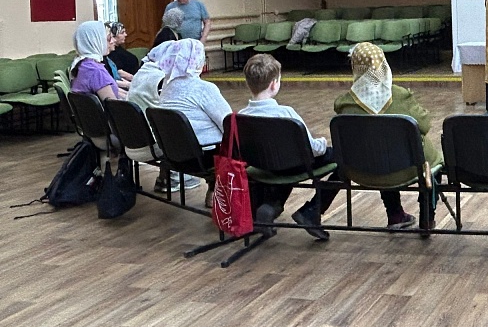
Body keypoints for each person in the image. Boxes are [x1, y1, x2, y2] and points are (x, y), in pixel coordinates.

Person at [325, 42, 442, 230]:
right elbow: (425, 125)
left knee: (377, 148)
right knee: (433, 161)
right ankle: (427, 217)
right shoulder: (400, 96)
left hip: (362, 169)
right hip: (406, 169)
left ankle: (395, 214)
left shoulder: (345, 103)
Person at [238, 54, 332, 240]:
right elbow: (312, 149)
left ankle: (271, 205)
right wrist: (322, 142)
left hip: (261, 166)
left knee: (282, 157)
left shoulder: (241, 115)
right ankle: (312, 210)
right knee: (338, 155)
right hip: (291, 165)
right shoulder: (286, 113)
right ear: (274, 84)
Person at [157, 39, 230, 207]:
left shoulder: (167, 86)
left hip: (172, 154)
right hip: (200, 158)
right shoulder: (204, 88)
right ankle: (217, 192)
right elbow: (227, 122)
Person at [126, 41, 204, 195]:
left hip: (131, 141)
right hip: (152, 144)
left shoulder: (141, 72)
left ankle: (166, 176)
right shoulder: (162, 78)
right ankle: (174, 177)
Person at [70, 20, 124, 102]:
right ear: (95, 41)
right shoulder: (95, 70)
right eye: (109, 38)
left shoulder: (83, 64)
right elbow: (114, 105)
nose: (113, 41)